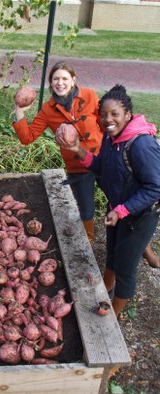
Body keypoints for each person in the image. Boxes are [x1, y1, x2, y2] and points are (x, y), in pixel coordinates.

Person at [57, 84, 160, 317]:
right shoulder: (111, 138)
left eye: (114, 114)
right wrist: (76, 148)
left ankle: (116, 310)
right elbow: (102, 167)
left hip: (140, 214)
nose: (107, 119)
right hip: (118, 208)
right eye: (103, 114)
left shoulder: (141, 145)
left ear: (128, 115)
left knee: (125, 264)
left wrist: (123, 210)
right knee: (112, 251)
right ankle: (106, 285)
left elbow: (156, 187)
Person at [12, 61, 103, 243]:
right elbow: (27, 138)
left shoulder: (90, 96)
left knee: (120, 198)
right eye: (55, 79)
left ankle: (142, 247)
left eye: (64, 78)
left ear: (73, 80)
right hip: (78, 165)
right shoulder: (48, 109)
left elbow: (105, 123)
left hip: (102, 157)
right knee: (86, 207)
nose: (60, 83)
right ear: (51, 83)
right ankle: (89, 242)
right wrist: (19, 111)